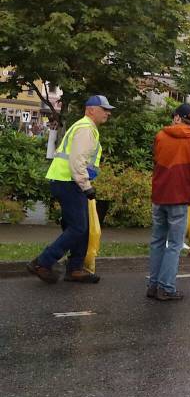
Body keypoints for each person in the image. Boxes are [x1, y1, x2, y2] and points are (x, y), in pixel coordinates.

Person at [27, 95, 113, 284]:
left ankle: (75, 268)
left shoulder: (85, 127)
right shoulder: (86, 129)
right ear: (90, 109)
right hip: (69, 181)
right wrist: (86, 186)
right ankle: (43, 262)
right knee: (78, 227)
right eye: (104, 109)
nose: (108, 113)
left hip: (65, 180)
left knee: (80, 227)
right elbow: (76, 161)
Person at [147, 104, 190, 301]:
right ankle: (166, 287)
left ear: (176, 118)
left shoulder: (161, 136)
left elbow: (156, 160)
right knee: (175, 244)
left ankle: (153, 284)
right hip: (179, 197)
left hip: (159, 194)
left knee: (157, 240)